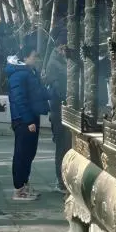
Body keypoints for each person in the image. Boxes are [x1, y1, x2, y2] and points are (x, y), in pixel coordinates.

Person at [6, 41, 50, 201]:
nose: (37, 59)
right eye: (34, 56)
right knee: (21, 154)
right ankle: (18, 189)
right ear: (25, 57)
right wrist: (28, 120)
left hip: (32, 117)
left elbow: (37, 94)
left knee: (29, 154)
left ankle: (24, 184)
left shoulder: (30, 72)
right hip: (24, 120)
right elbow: (19, 99)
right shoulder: (18, 74)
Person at [44, 42, 69, 193]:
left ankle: (63, 179)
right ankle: (60, 181)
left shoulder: (60, 62)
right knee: (62, 147)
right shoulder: (55, 65)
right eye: (63, 47)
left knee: (65, 147)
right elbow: (59, 90)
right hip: (59, 112)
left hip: (60, 111)